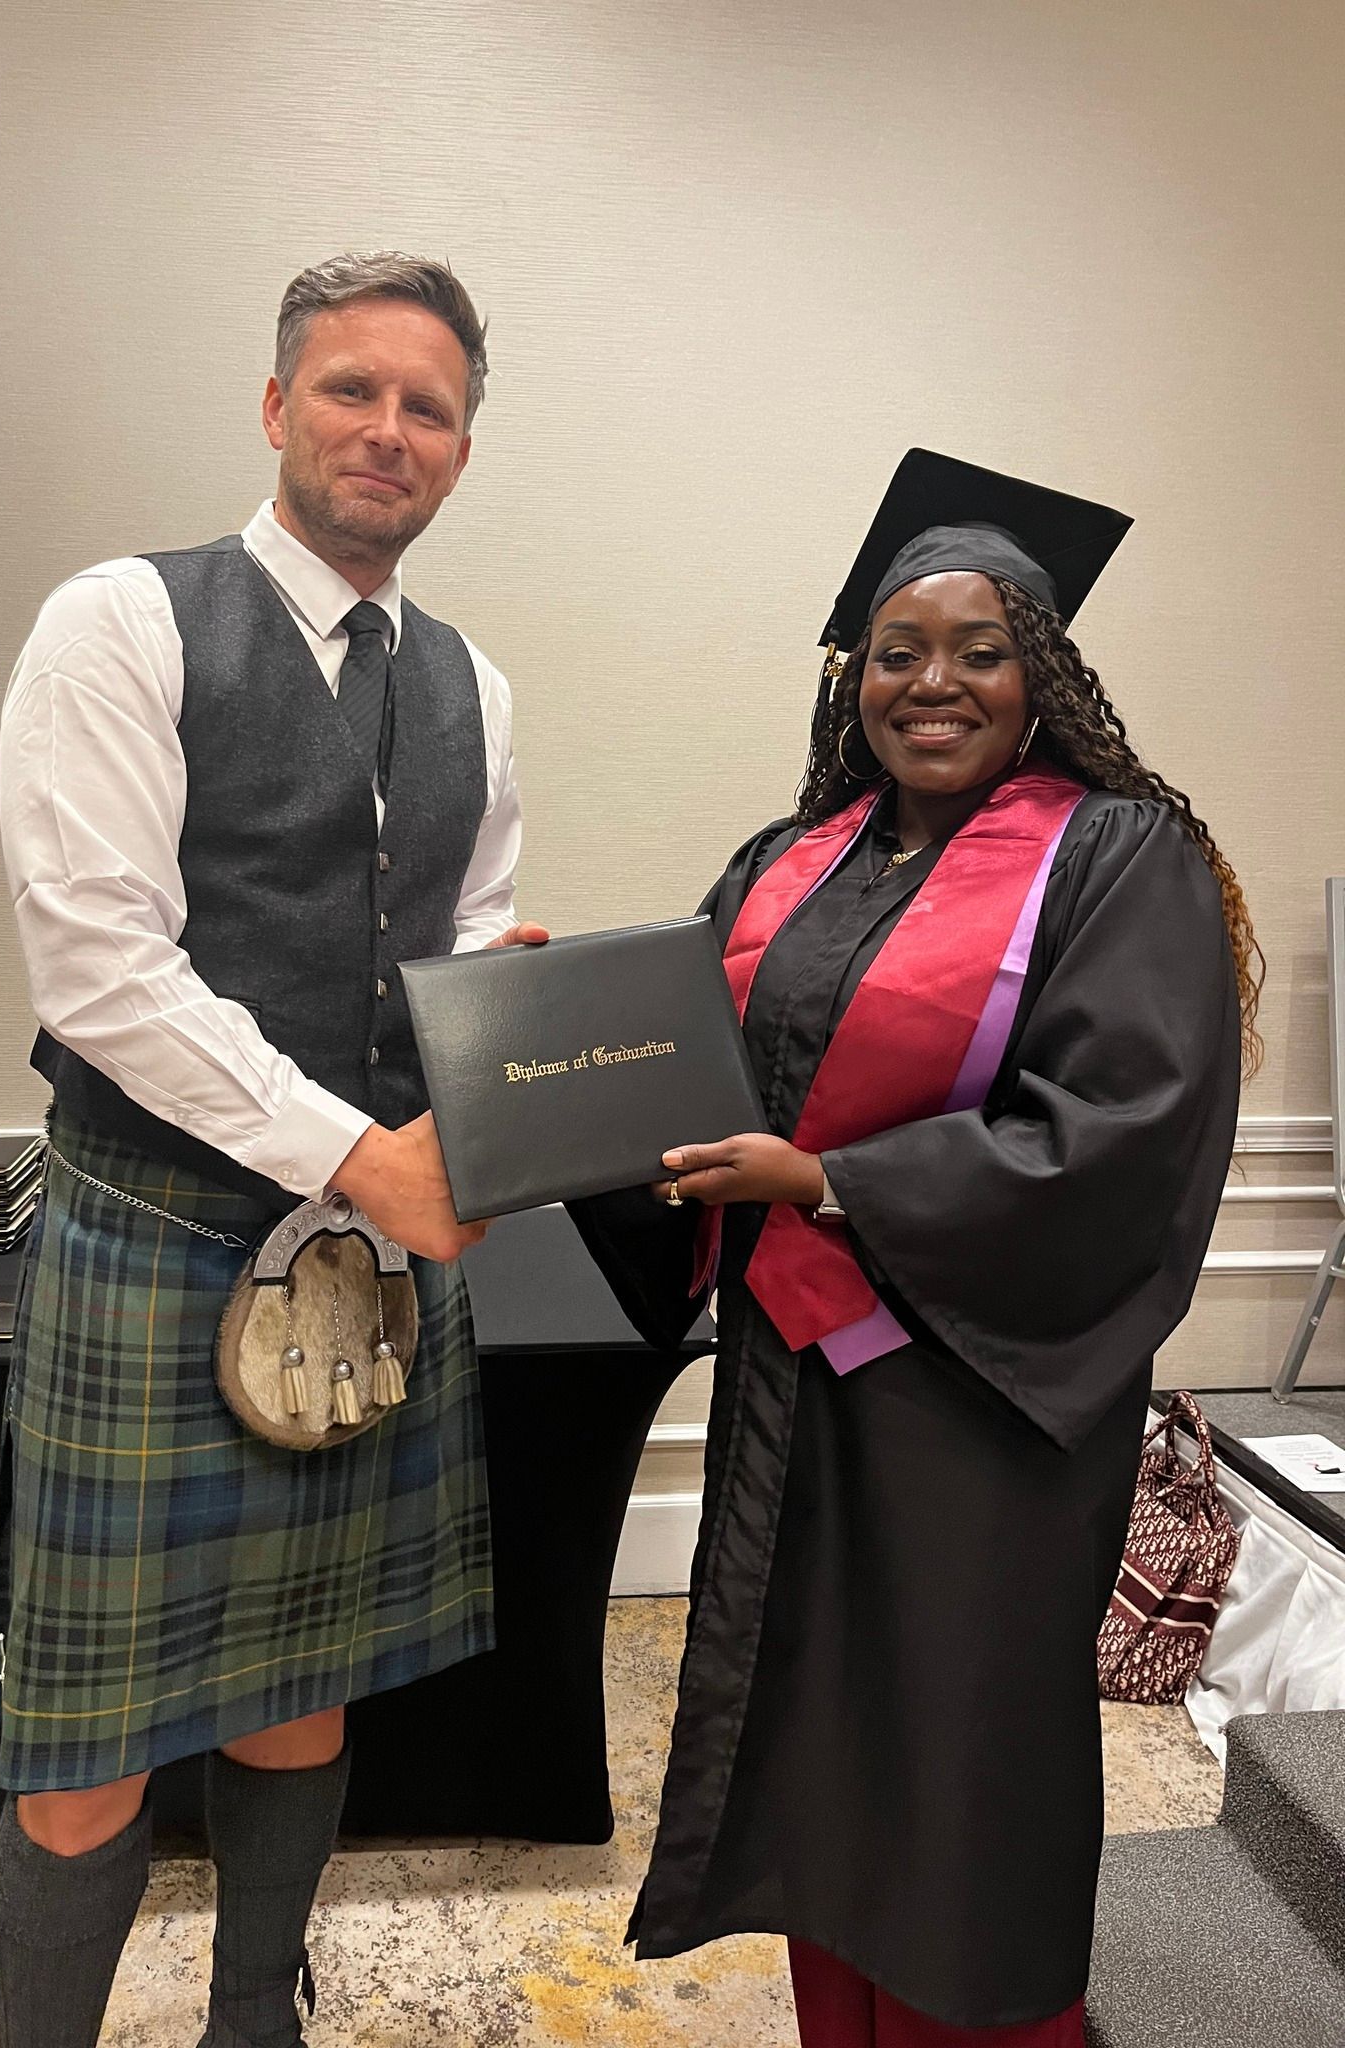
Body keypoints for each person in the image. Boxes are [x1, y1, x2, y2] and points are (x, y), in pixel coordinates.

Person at [573, 450, 1262, 2047]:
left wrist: (830, 1186)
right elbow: (686, 1066)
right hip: (799, 1399)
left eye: (979, 649)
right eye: (897, 652)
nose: (932, 682)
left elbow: (1126, 1133)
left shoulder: (1118, 856)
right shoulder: (793, 859)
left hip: (979, 1415)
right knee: (824, 1767)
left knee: (958, 1780)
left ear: (1044, 676)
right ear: (853, 677)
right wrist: (543, 1055)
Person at [0, 252, 545, 2048]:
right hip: (155, 1234)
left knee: (299, 1692)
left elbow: (467, 936)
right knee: (84, 1748)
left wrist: (506, 1025)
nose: (389, 430)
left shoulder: (477, 686)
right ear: (276, 405)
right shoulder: (121, 620)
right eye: (352, 390)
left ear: (465, 447)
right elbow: (100, 971)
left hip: (370, 1267)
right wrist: (357, 1155)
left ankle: (255, 2022)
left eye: (430, 406)